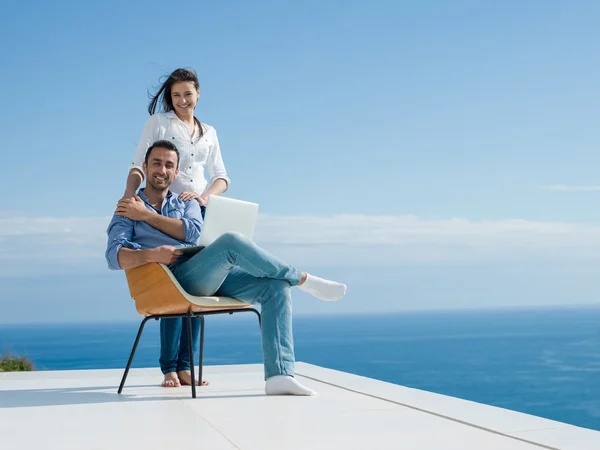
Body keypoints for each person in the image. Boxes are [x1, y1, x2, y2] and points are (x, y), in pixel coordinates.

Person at [107, 140, 347, 396]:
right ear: (145, 166)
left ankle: (279, 375)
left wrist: (148, 216)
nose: (162, 170)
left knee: (275, 288)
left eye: (169, 165)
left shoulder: (185, 202)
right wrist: (153, 253)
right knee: (232, 241)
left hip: (204, 272)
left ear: (176, 173)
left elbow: (194, 232)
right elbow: (114, 256)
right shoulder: (127, 206)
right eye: (156, 163)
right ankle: (302, 279)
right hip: (170, 281)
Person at [122, 68, 230, 387]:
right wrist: (130, 199)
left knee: (196, 290)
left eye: (187, 93)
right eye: (176, 95)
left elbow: (222, 176)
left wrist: (205, 196)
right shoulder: (160, 123)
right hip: (169, 209)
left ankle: (186, 366)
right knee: (172, 288)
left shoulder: (209, 131)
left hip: (201, 212)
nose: (182, 100)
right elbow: (138, 163)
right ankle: (169, 366)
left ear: (198, 94)